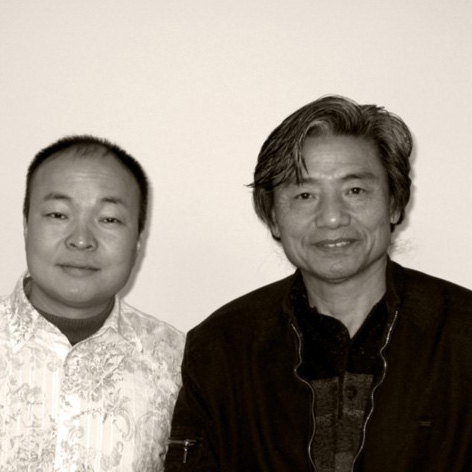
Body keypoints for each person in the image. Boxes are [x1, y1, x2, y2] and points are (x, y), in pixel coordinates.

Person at [164, 95, 472, 472]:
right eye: (305, 195)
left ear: (394, 203)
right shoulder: (220, 349)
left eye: (354, 191)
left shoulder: (463, 334)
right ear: (272, 217)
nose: (331, 218)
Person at [0, 135, 184, 471]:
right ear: (26, 225)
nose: (82, 240)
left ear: (138, 240)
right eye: (58, 214)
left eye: (109, 219)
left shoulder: (178, 364)